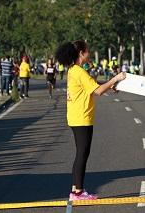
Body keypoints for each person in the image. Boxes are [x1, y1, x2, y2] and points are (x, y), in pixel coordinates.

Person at [55, 40, 126, 201]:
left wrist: (109, 85)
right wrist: (115, 79)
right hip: (81, 118)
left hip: (76, 116)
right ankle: (78, 192)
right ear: (81, 53)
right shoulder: (79, 71)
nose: (89, 54)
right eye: (88, 51)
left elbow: (93, 86)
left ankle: (75, 188)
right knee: (82, 154)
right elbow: (99, 91)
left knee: (80, 153)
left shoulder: (74, 70)